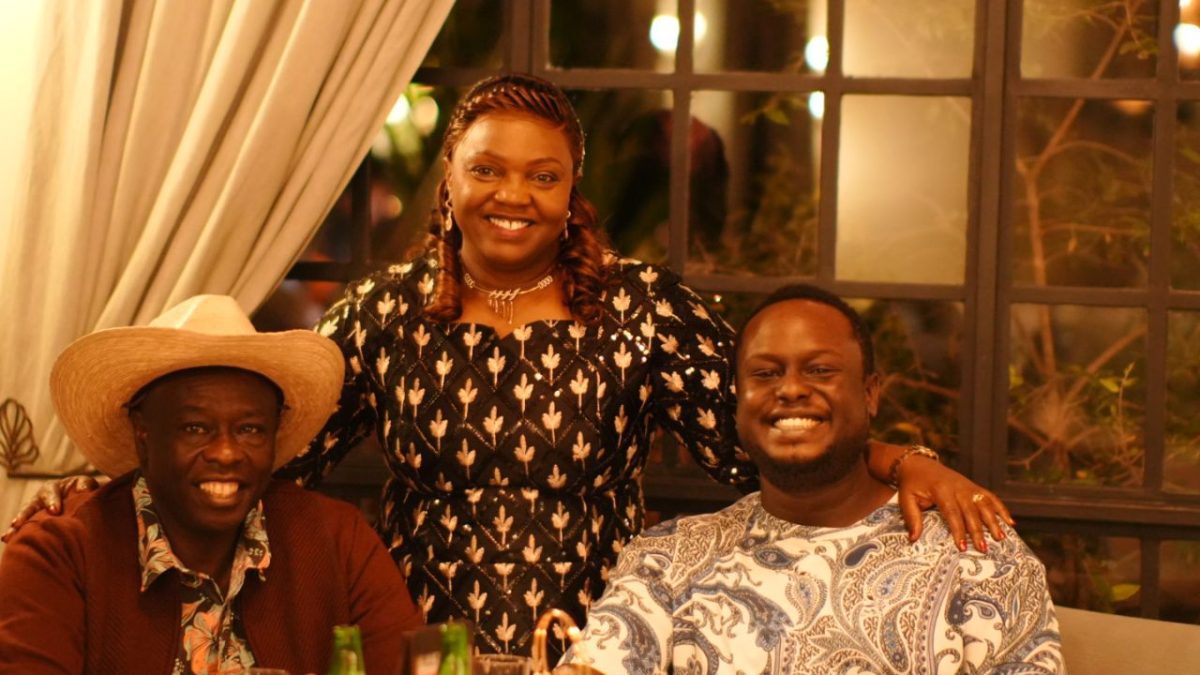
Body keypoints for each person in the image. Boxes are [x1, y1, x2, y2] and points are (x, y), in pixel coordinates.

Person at [3, 74, 1011, 658]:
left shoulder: (641, 308)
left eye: (542, 174)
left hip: (603, 646)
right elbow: (261, 449)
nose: (512, 195)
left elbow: (772, 437)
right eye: (487, 168)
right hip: (418, 647)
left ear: (572, 192)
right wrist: (99, 498)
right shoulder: (386, 313)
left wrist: (903, 461)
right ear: (449, 178)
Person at [561, 284, 1063, 674]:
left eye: (820, 370)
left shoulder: (977, 554)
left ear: (870, 394)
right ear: (737, 400)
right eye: (765, 374)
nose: (791, 390)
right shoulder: (669, 559)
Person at [0, 295, 423, 675]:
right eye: (196, 428)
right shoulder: (60, 553)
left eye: (250, 429)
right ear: (143, 433)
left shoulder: (337, 541)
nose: (226, 453)